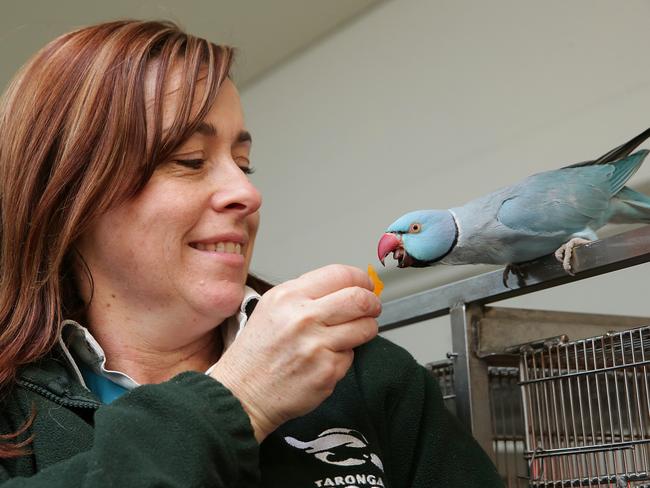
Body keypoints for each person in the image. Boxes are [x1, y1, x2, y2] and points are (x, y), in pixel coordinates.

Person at [0, 20, 503, 487]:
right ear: (69, 196)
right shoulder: (12, 406)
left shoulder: (366, 376)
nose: (247, 193)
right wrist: (240, 401)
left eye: (244, 164)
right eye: (190, 160)